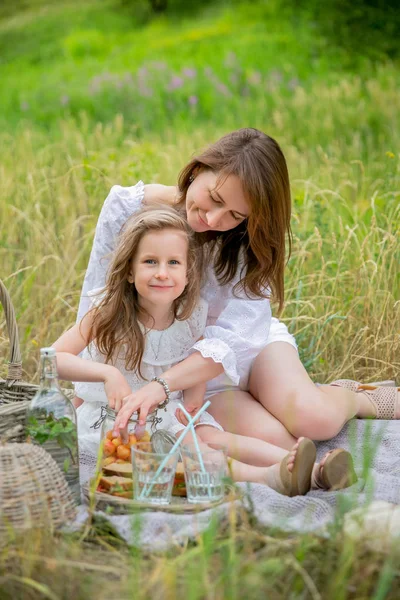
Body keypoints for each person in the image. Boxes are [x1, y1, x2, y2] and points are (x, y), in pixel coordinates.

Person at [77, 128, 398, 481]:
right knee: (284, 442)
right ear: (198, 169)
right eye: (214, 198)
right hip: (179, 368)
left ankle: (355, 397)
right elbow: (100, 303)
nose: (214, 220)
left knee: (314, 420)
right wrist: (91, 391)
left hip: (240, 350)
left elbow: (236, 337)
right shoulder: (126, 208)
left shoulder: (245, 242)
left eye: (234, 215)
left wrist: (163, 386)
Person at [53, 204, 355, 495]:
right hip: (112, 420)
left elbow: (193, 357)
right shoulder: (107, 312)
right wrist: (106, 374)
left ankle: (310, 468)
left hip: (167, 411)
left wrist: (194, 397)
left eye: (173, 263)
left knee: (212, 437)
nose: (162, 272)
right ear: (130, 271)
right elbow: (53, 358)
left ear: (187, 274)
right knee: (187, 451)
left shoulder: (191, 316)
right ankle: (268, 477)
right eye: (149, 262)